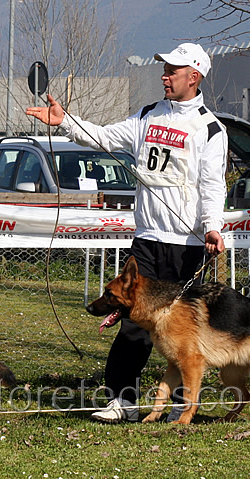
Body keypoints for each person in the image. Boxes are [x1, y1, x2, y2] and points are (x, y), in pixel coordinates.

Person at [27, 43, 227, 423]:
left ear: (194, 76)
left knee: (182, 332)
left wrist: (213, 228)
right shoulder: (149, 114)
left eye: (172, 70)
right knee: (133, 325)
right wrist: (65, 121)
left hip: (186, 246)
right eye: (164, 69)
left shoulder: (210, 129)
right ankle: (124, 400)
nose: (164, 76)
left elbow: (213, 185)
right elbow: (102, 137)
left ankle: (181, 406)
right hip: (147, 240)